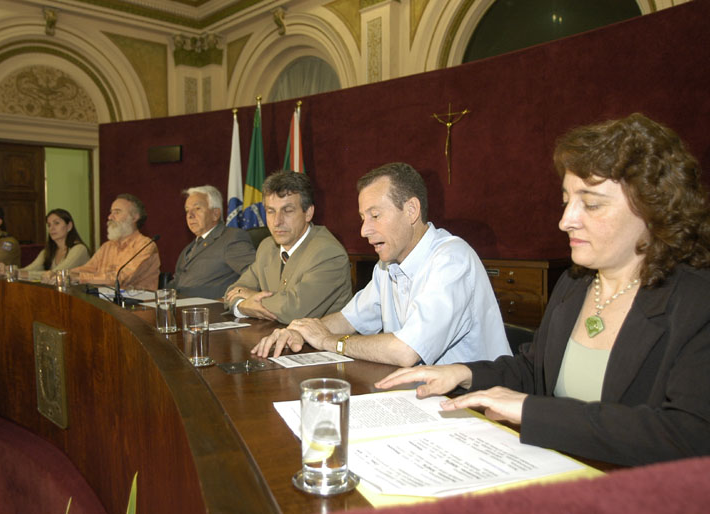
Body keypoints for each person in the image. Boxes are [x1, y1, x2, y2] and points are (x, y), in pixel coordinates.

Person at [376, 113, 710, 466]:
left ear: (653, 208)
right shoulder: (575, 284)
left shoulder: (695, 302)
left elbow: (688, 435)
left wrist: (534, 413)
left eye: (592, 204)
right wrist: (463, 372)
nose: (566, 221)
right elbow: (536, 372)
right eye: (567, 201)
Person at [252, 162, 509, 366]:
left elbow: (406, 350)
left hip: (475, 404)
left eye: (375, 216)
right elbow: (349, 319)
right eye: (363, 218)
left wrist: (330, 342)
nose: (364, 230)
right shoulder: (387, 266)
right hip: (423, 395)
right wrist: (299, 331)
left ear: (411, 210)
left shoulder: (452, 260)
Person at [223, 170, 351, 324]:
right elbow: (232, 292)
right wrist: (240, 306)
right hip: (273, 338)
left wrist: (250, 297)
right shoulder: (267, 247)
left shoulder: (328, 253)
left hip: (317, 345)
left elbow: (293, 310)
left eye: (287, 211)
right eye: (271, 211)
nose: (277, 221)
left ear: (308, 213)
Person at [167, 185, 255, 298]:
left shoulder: (231, 238)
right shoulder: (189, 248)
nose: (190, 215)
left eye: (197, 208)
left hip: (211, 311)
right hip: (182, 308)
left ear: (215, 214)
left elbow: (254, 273)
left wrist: (233, 299)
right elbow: (176, 283)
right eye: (187, 210)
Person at [69, 193, 160, 290]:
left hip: (136, 303)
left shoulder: (145, 245)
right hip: (106, 301)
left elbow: (119, 279)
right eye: (111, 212)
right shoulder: (107, 246)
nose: (110, 217)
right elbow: (88, 269)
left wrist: (79, 278)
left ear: (134, 217)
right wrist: (61, 275)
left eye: (117, 212)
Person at [0, 208, 90, 280]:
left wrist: (15, 273)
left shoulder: (79, 249)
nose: (51, 228)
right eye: (49, 225)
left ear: (69, 226)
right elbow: (29, 270)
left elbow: (56, 274)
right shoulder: (48, 251)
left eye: (56, 223)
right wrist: (5, 270)